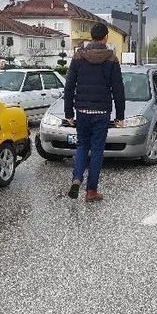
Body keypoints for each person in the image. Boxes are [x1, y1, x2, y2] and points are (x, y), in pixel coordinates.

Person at [63, 22, 125, 203]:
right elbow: (118, 89)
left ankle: (77, 178)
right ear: (105, 37)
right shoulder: (112, 59)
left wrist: (69, 112)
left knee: (82, 146)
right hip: (101, 112)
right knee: (97, 150)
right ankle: (91, 191)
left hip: (81, 110)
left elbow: (69, 87)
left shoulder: (78, 57)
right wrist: (120, 116)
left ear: (91, 37)